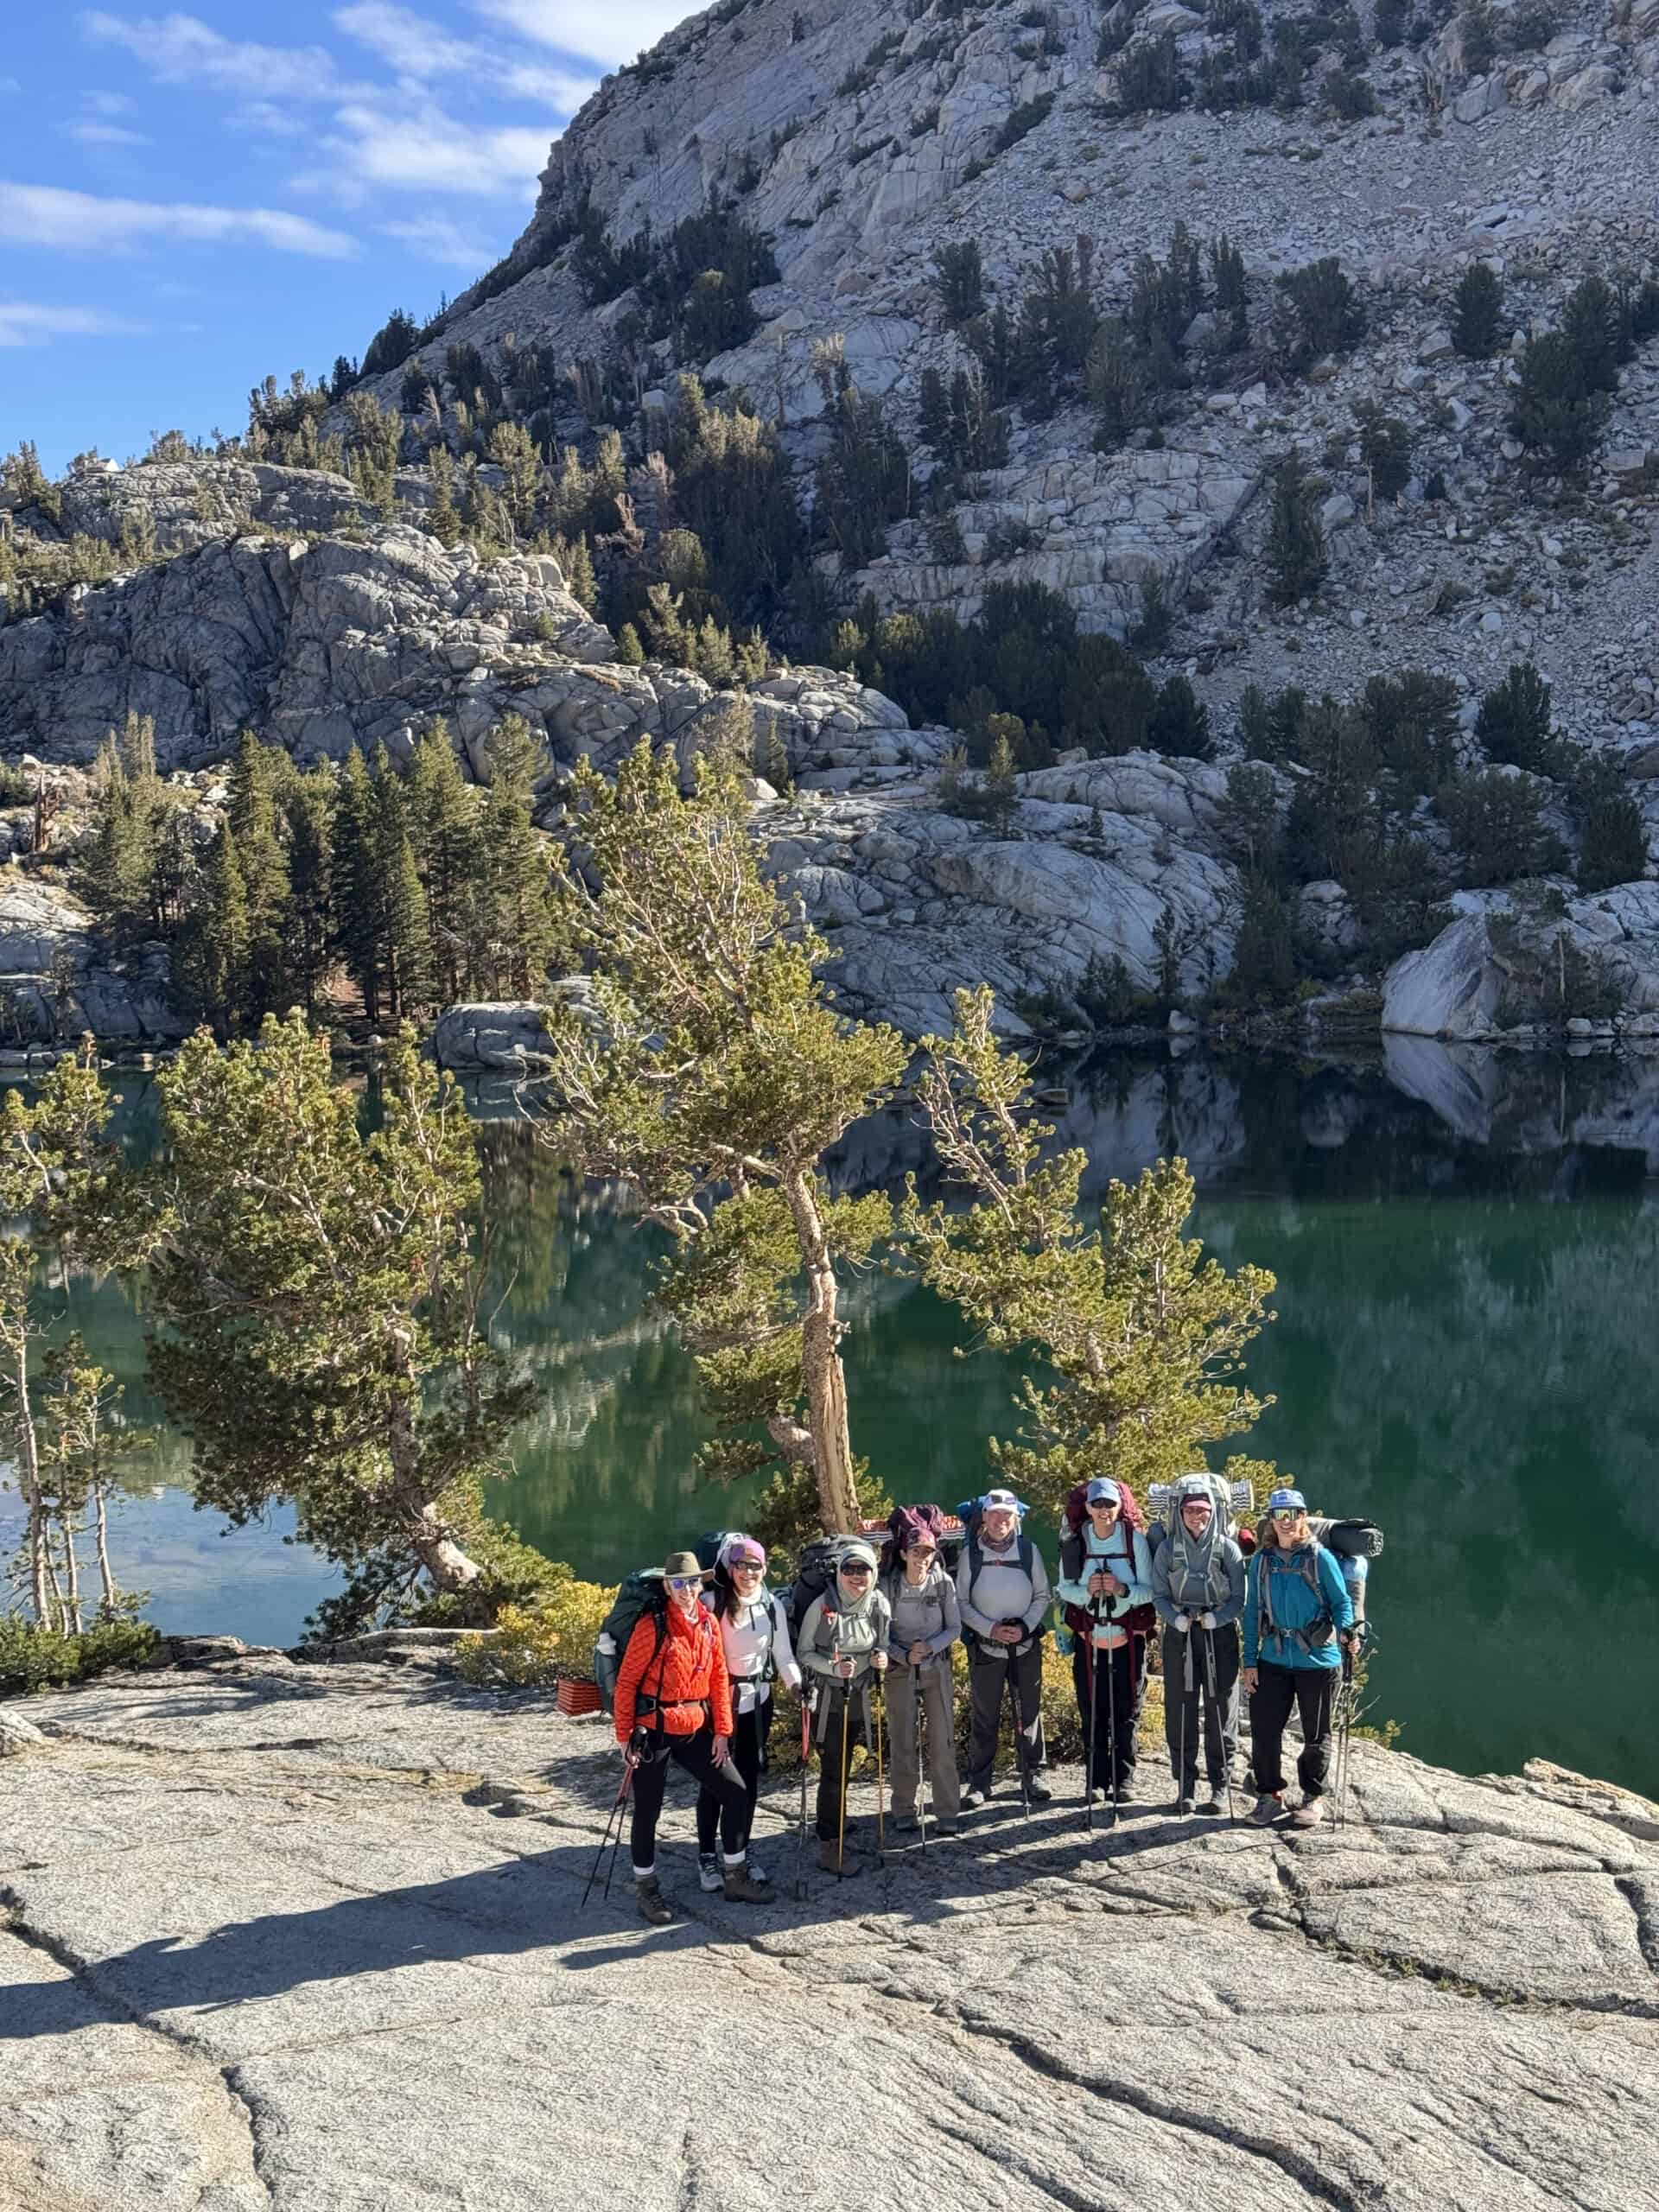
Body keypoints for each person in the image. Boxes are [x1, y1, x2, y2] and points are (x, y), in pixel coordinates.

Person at [613, 1549, 769, 1923]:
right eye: (678, 1583)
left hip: (697, 1727)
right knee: (648, 1811)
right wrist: (624, 1738)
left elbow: (718, 1678)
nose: (686, 1590)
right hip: (654, 1730)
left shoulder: (707, 1623)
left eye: (692, 1582)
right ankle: (647, 1890)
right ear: (667, 1587)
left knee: (735, 1792)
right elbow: (626, 1683)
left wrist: (723, 1731)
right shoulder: (652, 1626)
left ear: (702, 1584)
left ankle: (735, 1876)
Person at [1243, 1489, 1356, 1829]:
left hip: (1318, 1661)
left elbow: (1341, 1603)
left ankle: (1312, 1797)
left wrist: (1348, 1630)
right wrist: (1250, 1661)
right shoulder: (1262, 1562)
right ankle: (1268, 1795)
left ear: (1303, 1517)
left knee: (1316, 1734)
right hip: (1273, 1659)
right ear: (1271, 1520)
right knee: (1264, 1731)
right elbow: (1252, 1614)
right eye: (1280, 1515)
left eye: (1293, 1514)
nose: (1287, 1521)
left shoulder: (1320, 1558)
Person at [696, 1533, 802, 1894]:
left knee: (749, 1781)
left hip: (758, 1703)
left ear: (764, 1568)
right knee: (715, 1782)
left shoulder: (771, 1605)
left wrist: (797, 1686)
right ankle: (707, 1854)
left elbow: (783, 1656)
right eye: (741, 1565)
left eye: (755, 1566)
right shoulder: (711, 1603)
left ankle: (738, 1850)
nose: (748, 1573)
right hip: (717, 1706)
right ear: (729, 1567)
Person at [1150, 1474, 1246, 1815]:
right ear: (1180, 1512)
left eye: (1203, 1510)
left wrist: (1217, 1619)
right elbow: (1159, 1594)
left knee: (1221, 1708)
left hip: (1217, 1634)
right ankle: (1185, 1787)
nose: (1197, 1516)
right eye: (1190, 1510)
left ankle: (1220, 1787)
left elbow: (1239, 1597)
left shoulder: (1227, 1549)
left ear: (1213, 1511)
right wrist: (1173, 1618)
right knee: (1180, 1709)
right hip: (1179, 1634)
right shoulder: (1167, 1549)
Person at [1056, 1477, 1152, 1814]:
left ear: (1119, 1506)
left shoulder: (1134, 1541)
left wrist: (1121, 1592)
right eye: (1097, 1504)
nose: (1103, 1511)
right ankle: (1095, 1781)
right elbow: (1064, 1588)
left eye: (1110, 1504)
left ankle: (1122, 1780)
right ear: (1087, 1507)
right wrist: (1089, 1592)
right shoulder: (1075, 1543)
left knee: (1127, 1711)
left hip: (1126, 1640)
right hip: (1090, 1639)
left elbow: (1150, 1590)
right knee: (1092, 1709)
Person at [797, 1539, 893, 1875]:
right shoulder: (822, 1607)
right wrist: (833, 1669)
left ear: (873, 1573)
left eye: (863, 1569)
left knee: (845, 1764)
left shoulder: (878, 1604)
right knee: (834, 1770)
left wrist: (881, 1657)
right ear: (839, 1573)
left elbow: (883, 1642)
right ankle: (829, 1846)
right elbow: (804, 1653)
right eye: (849, 1569)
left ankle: (836, 1820)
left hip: (860, 1697)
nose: (856, 1576)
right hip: (829, 1701)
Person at [957, 1489, 1053, 1809]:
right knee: (985, 1715)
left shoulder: (1029, 1551)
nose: (1001, 1520)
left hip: (1025, 1645)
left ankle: (1034, 1775)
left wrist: (1024, 1626)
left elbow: (1042, 1595)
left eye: (1007, 1515)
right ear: (984, 1516)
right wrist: (991, 1629)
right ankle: (980, 1782)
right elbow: (962, 1603)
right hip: (986, 1648)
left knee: (1030, 1710)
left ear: (1016, 1519)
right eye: (995, 1514)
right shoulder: (970, 1554)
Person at [881, 1509, 962, 1836]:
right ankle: (903, 1808)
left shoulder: (943, 1584)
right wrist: (903, 1654)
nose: (922, 1558)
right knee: (902, 1741)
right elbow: (879, 1636)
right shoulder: (888, 1587)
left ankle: (947, 1810)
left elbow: (954, 1627)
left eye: (927, 1552)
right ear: (903, 1553)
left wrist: (928, 1647)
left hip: (936, 1668)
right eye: (916, 1552)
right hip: (900, 1671)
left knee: (942, 1740)